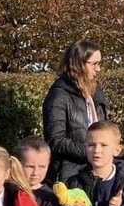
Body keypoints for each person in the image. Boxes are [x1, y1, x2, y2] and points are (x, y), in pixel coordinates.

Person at [43, 41, 109, 182]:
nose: (98, 69)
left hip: (95, 171)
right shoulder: (58, 95)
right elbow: (55, 140)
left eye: (99, 64)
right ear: (79, 64)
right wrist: (91, 152)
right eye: (94, 64)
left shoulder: (96, 92)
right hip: (70, 175)